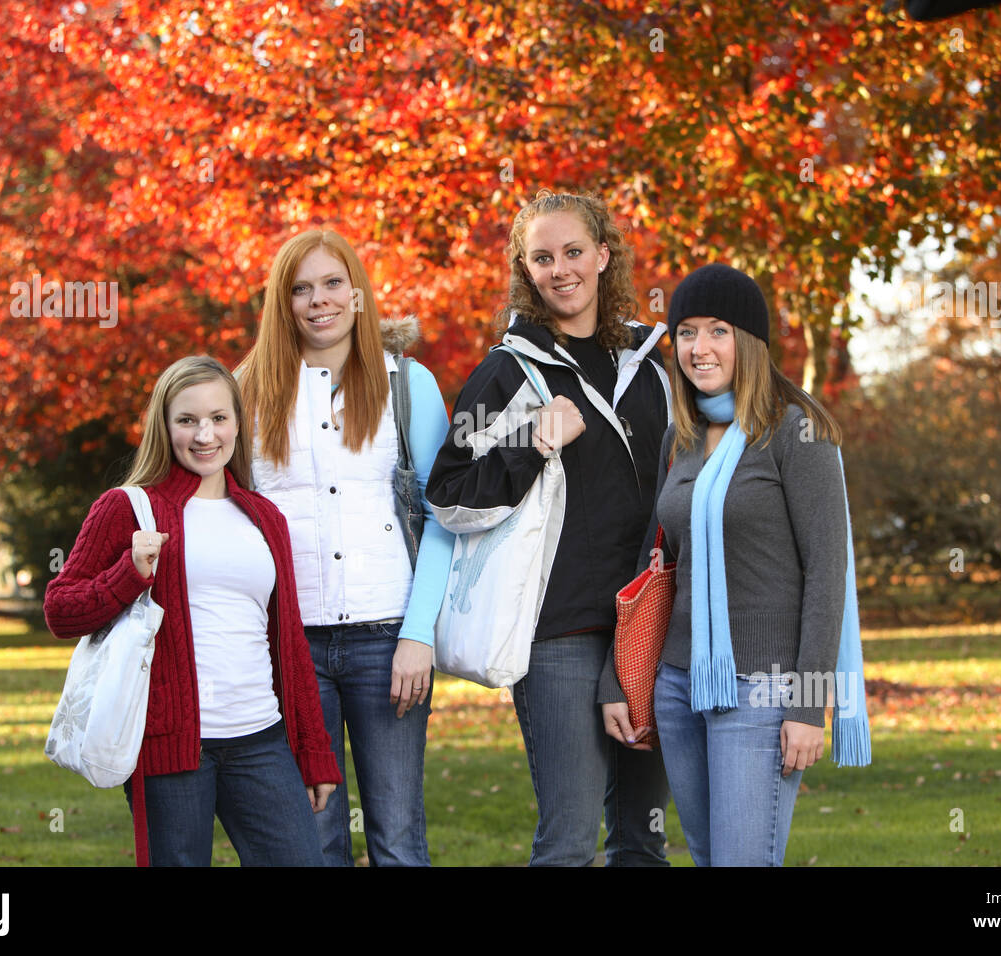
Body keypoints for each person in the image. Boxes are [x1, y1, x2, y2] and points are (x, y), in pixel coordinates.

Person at [427, 190, 673, 866]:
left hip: (647, 627)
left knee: (642, 839)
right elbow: (448, 496)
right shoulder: (509, 372)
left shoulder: (650, 368)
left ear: (602, 255)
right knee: (568, 842)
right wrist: (531, 444)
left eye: (572, 252)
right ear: (524, 270)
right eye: (542, 257)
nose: (560, 268)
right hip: (561, 634)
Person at [600, 263, 871, 866]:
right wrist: (617, 679)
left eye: (717, 331)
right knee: (708, 856)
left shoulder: (796, 433)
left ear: (748, 342)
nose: (699, 348)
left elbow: (828, 575)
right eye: (687, 333)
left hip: (765, 689)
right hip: (677, 683)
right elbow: (654, 564)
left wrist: (807, 707)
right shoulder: (685, 437)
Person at [44, 355, 341, 867]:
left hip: (261, 740)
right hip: (171, 746)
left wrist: (314, 753)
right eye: (187, 420)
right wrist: (129, 574)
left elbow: (289, 642)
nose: (205, 434)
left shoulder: (263, 516)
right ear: (165, 426)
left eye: (219, 418)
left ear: (237, 424)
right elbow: (61, 611)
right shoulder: (129, 507)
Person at [238, 230, 454, 867]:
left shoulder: (409, 386)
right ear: (283, 303)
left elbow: (442, 520)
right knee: (313, 839)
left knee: (397, 836)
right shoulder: (246, 391)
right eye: (300, 289)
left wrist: (419, 636)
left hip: (388, 639)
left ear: (357, 294)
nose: (318, 301)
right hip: (290, 646)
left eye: (333, 283)